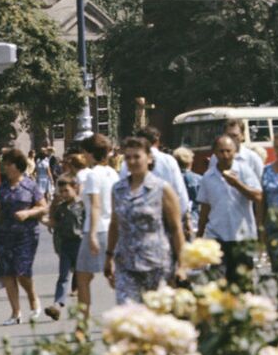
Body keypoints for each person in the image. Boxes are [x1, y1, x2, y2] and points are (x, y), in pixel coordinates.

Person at [104, 136, 184, 304]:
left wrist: (183, 264)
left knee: (156, 313)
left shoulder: (162, 189)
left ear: (149, 158)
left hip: (157, 265)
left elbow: (176, 228)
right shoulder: (118, 190)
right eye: (128, 157)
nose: (132, 161)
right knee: (127, 313)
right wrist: (109, 256)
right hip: (126, 264)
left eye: (137, 157)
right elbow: (115, 224)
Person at [197, 133, 263, 286]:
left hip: (241, 236)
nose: (225, 155)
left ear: (235, 152)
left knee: (242, 284)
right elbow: (205, 207)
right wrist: (200, 234)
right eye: (221, 151)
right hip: (217, 236)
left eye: (228, 151)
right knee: (218, 284)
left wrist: (237, 184)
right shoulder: (208, 177)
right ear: (214, 153)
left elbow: (258, 196)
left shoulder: (244, 171)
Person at [0, 149, 46, 325]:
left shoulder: (30, 186)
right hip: (4, 234)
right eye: (5, 164)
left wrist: (28, 213)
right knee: (8, 273)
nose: (6, 167)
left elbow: (43, 207)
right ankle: (15, 313)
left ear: (18, 166)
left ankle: (33, 298)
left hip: (26, 235)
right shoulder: (2, 187)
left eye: (9, 164)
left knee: (22, 272)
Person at [74, 135, 117, 317]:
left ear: (90, 153)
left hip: (96, 228)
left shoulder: (92, 175)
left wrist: (91, 234)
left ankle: (83, 322)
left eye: (85, 152)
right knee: (113, 275)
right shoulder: (112, 173)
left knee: (82, 276)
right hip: (112, 227)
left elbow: (95, 206)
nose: (83, 155)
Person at [43, 171, 83, 322]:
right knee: (63, 277)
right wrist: (41, 219)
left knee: (82, 278)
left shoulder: (82, 206)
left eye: (66, 191)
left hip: (80, 244)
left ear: (75, 188)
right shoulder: (61, 207)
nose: (64, 194)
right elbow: (54, 222)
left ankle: (82, 310)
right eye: (61, 192)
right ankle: (57, 305)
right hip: (66, 245)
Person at [143, 127, 192, 228]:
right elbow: (179, 190)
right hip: (166, 216)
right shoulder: (168, 160)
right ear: (157, 141)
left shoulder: (128, 162)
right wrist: (184, 217)